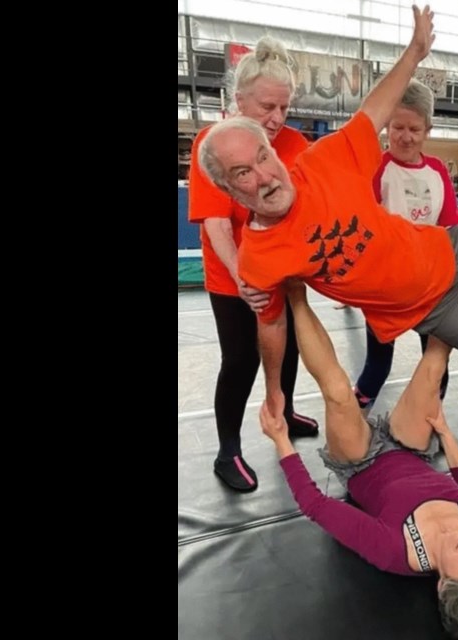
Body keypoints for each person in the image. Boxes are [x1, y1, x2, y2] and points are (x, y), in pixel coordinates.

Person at [197, 5, 458, 427]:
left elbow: (373, 110)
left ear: (274, 150)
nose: (265, 176)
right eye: (243, 174)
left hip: (443, 247)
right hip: (417, 303)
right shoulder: (261, 259)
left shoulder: (322, 160)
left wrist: (415, 52)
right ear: (229, 189)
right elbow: (271, 329)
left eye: (263, 158)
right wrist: (274, 392)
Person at [260, 279, 458, 639]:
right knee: (433, 368)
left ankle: (294, 292)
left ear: (443, 586)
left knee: (339, 393)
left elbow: (315, 505)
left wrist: (280, 441)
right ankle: (450, 281)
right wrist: (446, 435)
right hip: (411, 448)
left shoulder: (394, 552)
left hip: (361, 461)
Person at [187, 33, 318, 492]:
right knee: (240, 359)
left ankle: (281, 409)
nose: (276, 118)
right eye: (266, 107)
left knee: (290, 352)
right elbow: (217, 224)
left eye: (283, 108)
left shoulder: (296, 144)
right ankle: (229, 448)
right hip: (232, 277)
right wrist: (245, 277)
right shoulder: (212, 142)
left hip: (284, 274)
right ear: (238, 99)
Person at [352, 78, 458, 414]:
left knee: (435, 357)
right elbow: (363, 225)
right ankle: (355, 422)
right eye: (397, 127)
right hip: (386, 286)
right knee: (378, 362)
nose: (405, 136)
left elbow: (453, 226)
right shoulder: (378, 168)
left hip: (429, 284)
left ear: (427, 130)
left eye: (414, 129)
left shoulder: (437, 172)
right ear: (386, 125)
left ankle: (431, 418)